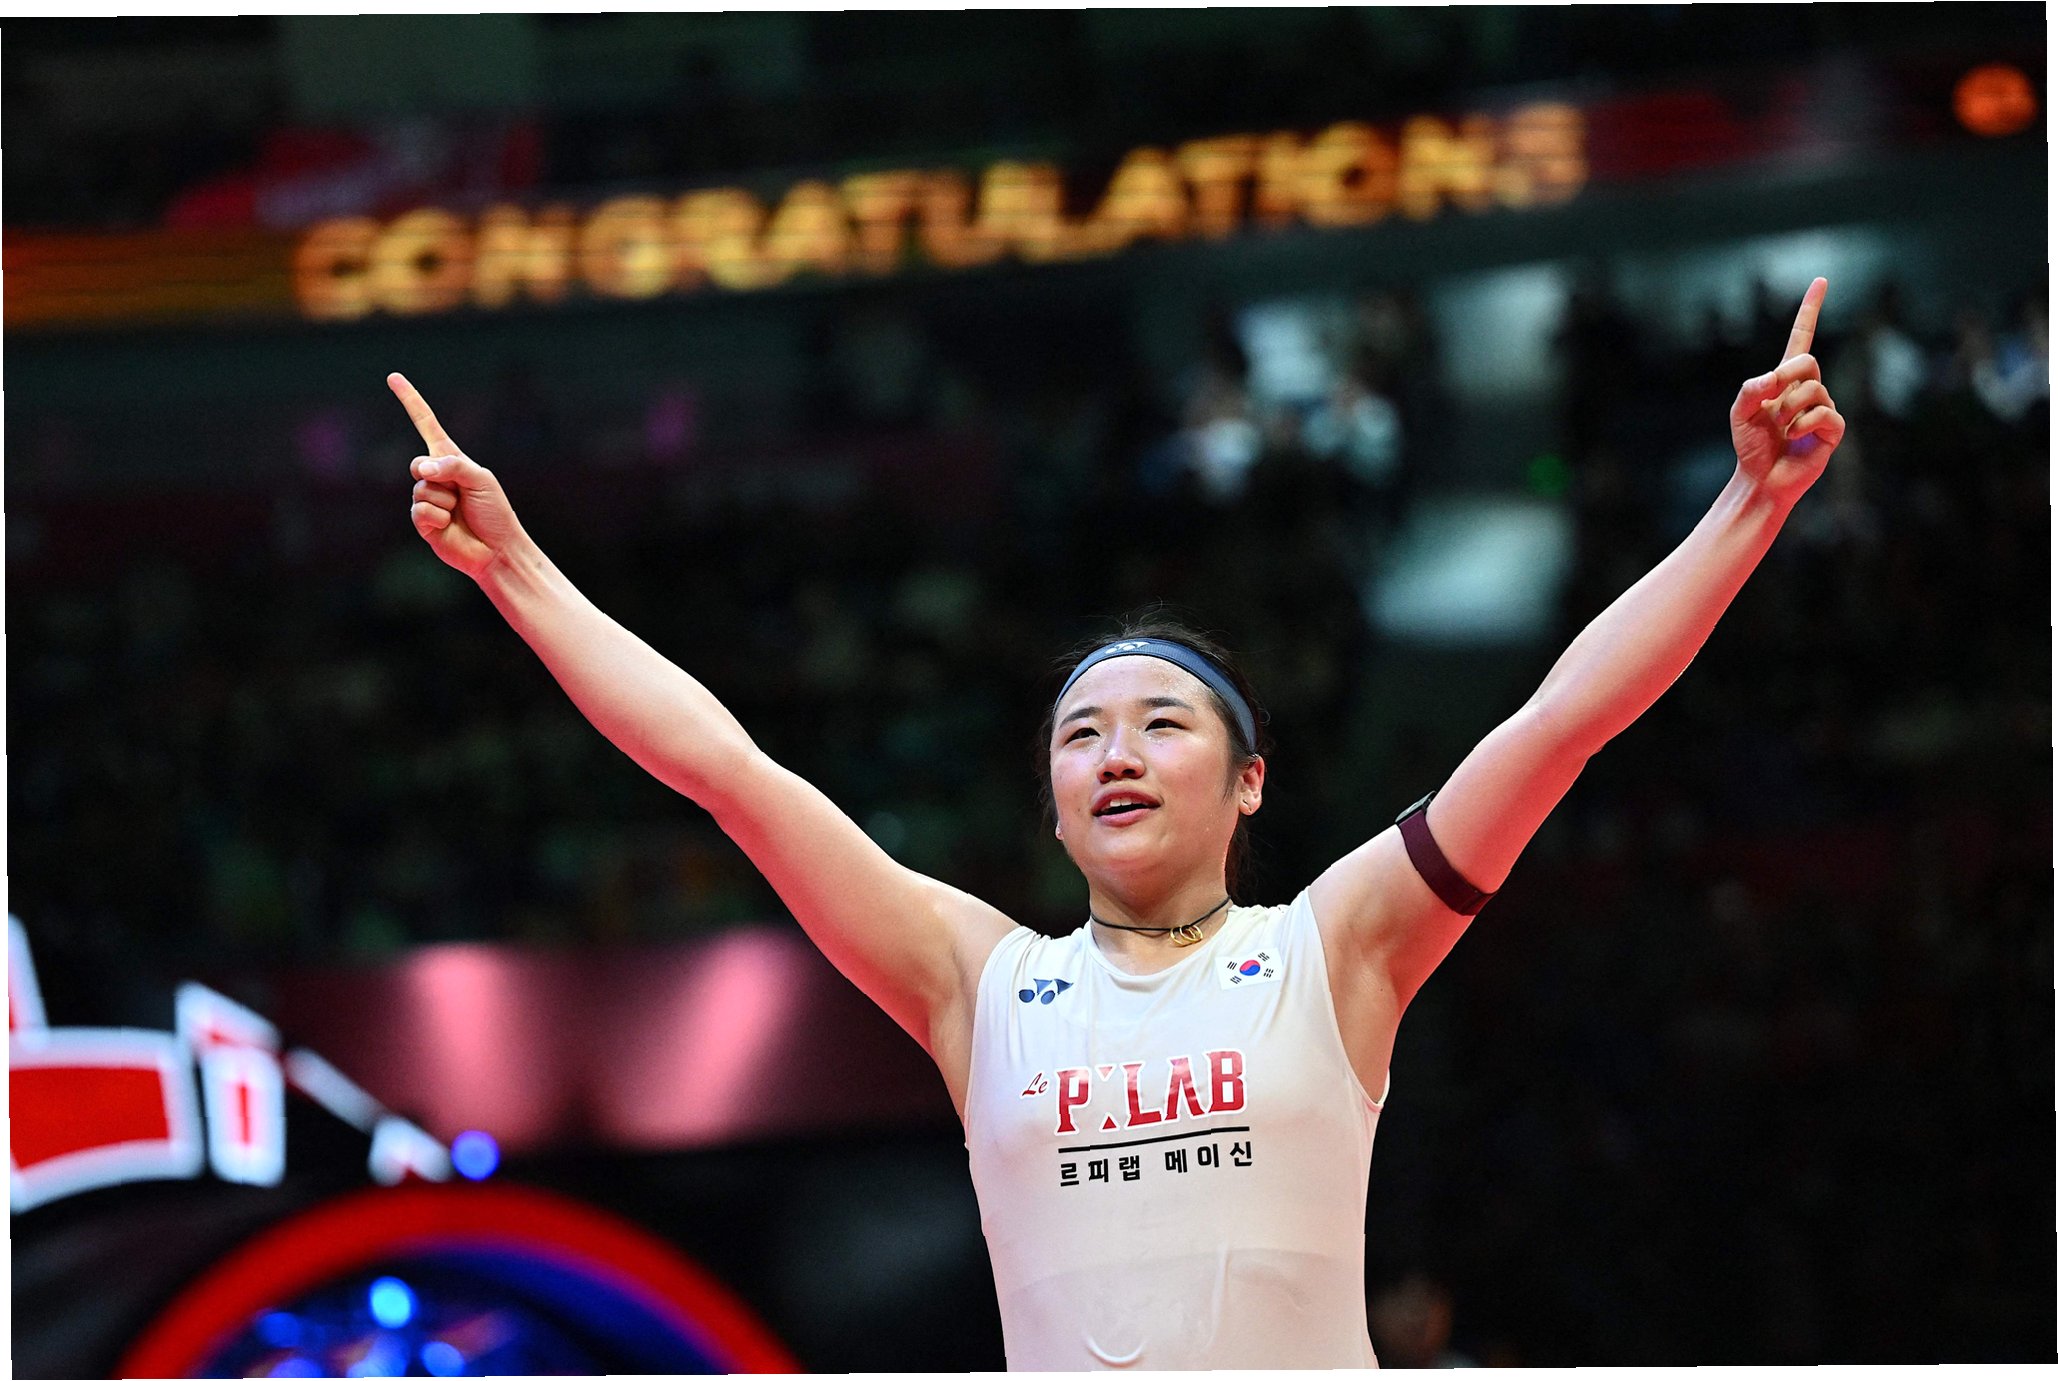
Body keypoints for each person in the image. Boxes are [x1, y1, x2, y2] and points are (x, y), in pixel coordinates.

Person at [391, 278, 1846, 1370]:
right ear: (1052, 800)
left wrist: (1747, 504)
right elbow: (727, 769)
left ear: (1248, 779)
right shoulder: (978, 984)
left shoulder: (1332, 949)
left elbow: (1558, 721)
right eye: (1080, 734)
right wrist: (516, 568)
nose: (1115, 755)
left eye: (1162, 723)